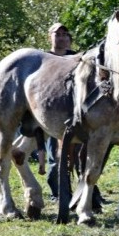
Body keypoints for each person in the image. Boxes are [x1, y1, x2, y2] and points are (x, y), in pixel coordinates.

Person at [42, 22, 77, 197]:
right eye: (57, 34)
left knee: (80, 157)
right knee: (55, 158)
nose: (62, 38)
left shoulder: (76, 57)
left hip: (76, 111)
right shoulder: (44, 59)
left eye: (64, 34)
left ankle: (90, 194)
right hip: (53, 110)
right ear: (50, 37)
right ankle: (58, 193)